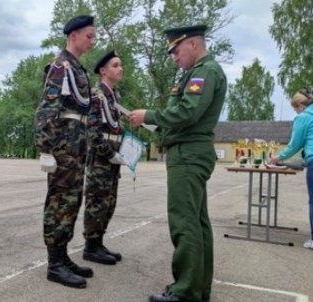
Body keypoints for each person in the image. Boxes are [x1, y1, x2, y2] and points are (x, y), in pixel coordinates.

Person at [128, 25, 226, 302]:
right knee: (197, 222)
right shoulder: (198, 72)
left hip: (188, 154)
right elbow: (181, 114)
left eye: (176, 50)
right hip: (189, 150)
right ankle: (197, 288)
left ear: (193, 44)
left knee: (184, 222)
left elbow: (188, 111)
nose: (173, 56)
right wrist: (155, 124)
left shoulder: (204, 72)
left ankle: (185, 291)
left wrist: (150, 114)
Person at [33, 15, 96, 289]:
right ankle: (54, 264)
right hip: (62, 150)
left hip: (75, 147)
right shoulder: (61, 67)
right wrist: (47, 150)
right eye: (89, 36)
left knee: (72, 202)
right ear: (73, 36)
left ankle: (63, 256)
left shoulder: (77, 68)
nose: (92, 41)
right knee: (59, 204)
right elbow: (46, 111)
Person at [82, 50, 125, 266]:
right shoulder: (96, 95)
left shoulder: (114, 96)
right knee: (97, 202)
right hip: (101, 160)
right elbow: (93, 132)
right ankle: (90, 247)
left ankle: (98, 243)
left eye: (120, 65)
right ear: (103, 71)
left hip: (113, 159)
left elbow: (116, 129)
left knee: (109, 202)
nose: (120, 69)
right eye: (115, 65)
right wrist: (111, 154)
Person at [269, 88, 313, 250]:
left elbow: (295, 144)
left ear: (301, 104)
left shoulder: (303, 117)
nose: (295, 111)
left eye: (295, 108)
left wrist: (278, 158)